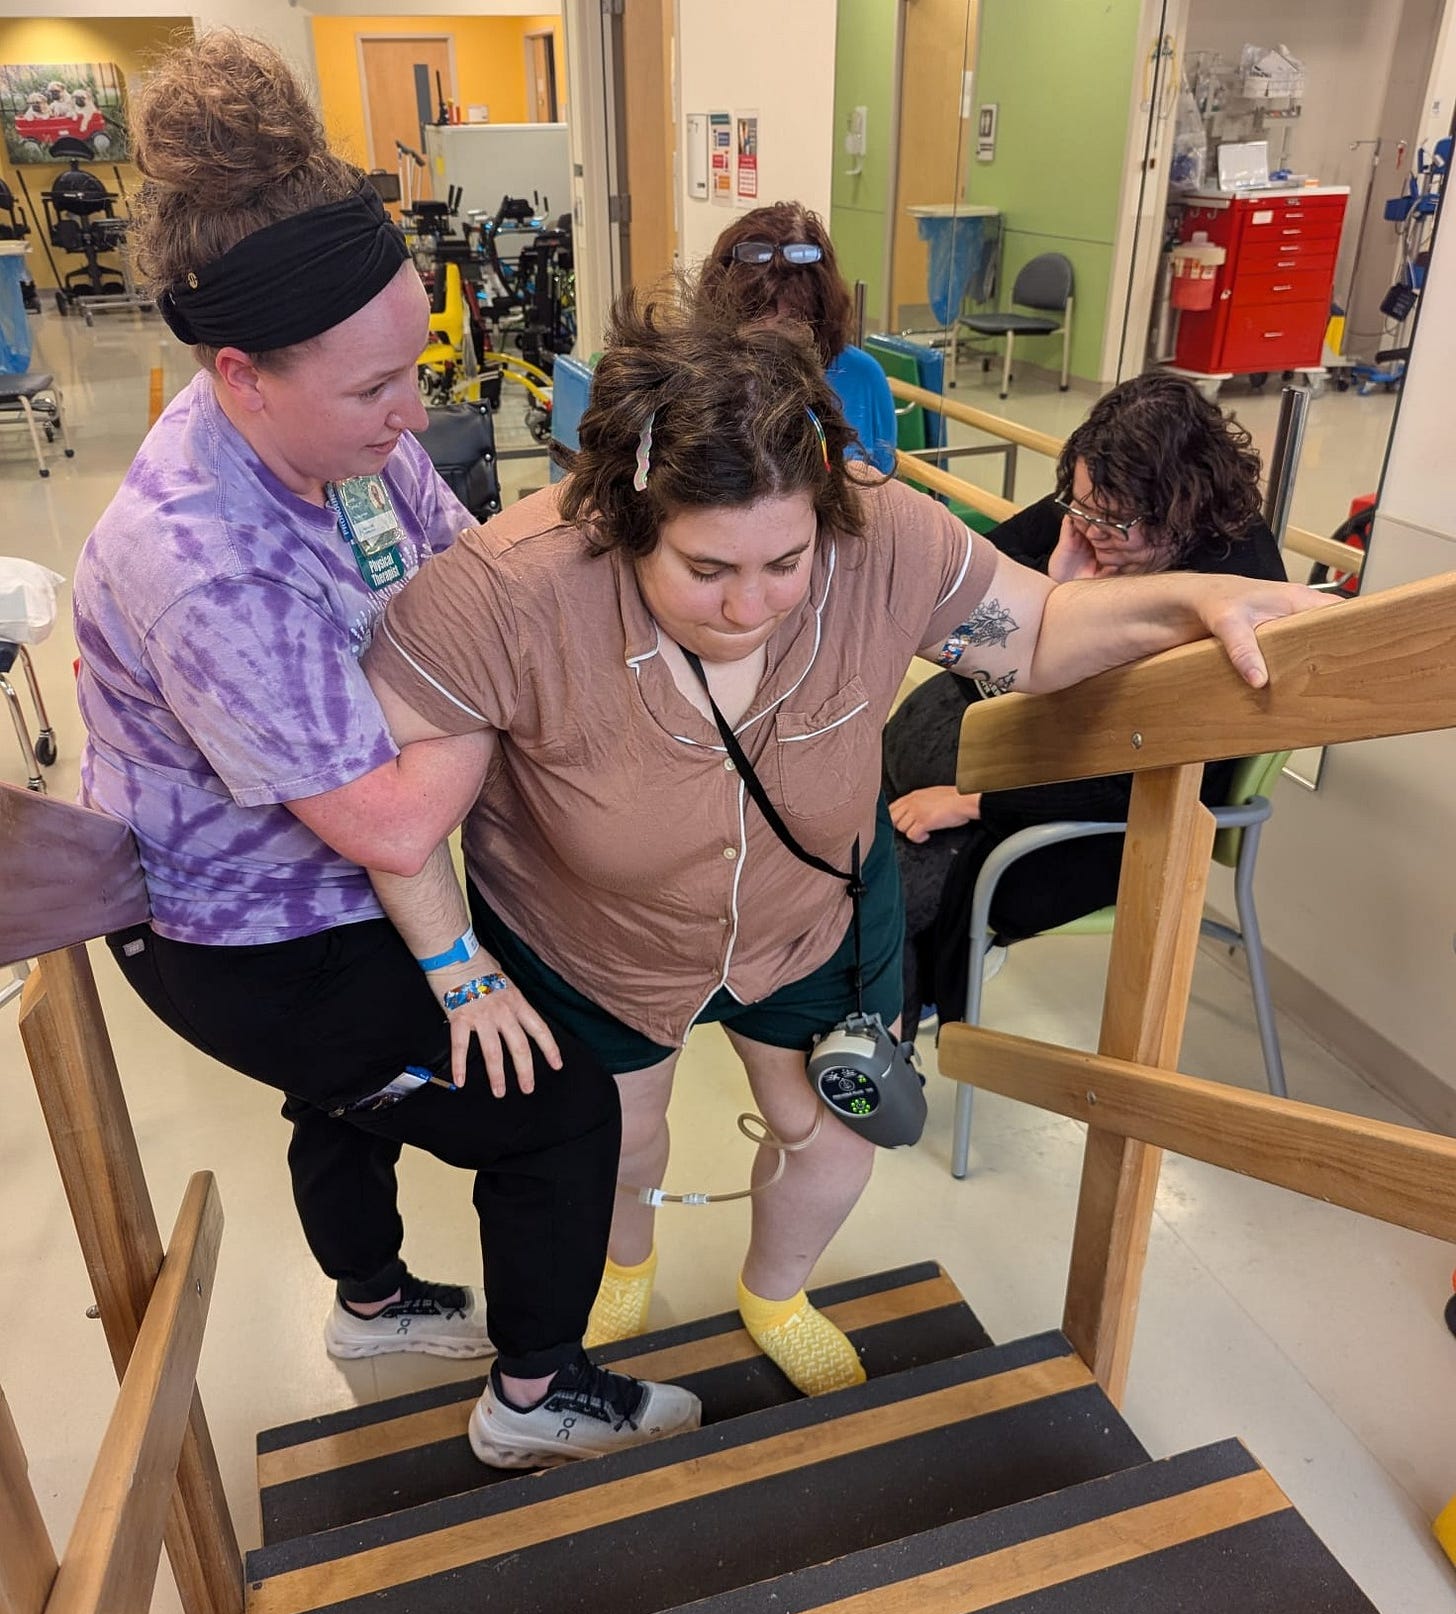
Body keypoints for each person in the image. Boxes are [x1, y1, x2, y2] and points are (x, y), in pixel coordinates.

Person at [358, 293, 1329, 1398]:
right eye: (706, 568)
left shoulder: (873, 526)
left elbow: (1042, 630)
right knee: (613, 1143)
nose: (751, 605)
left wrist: (1192, 596)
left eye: (785, 561)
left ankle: (775, 1290)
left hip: (806, 910)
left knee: (828, 1126)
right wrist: (455, 965)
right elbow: (391, 798)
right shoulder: (505, 589)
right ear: (626, 519)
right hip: (594, 937)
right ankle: (625, 1259)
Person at [71, 32, 699, 1470]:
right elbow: (396, 820)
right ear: (238, 376)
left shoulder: (340, 437)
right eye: (374, 394)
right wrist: (494, 691)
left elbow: (454, 572)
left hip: (325, 880)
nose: (414, 416)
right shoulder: (203, 561)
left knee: (348, 1099)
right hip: (248, 934)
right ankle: (535, 1398)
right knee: (555, 1117)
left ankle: (370, 1302)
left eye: (413, 368)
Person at [884, 372, 1289, 1032]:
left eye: (1109, 520)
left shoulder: (1236, 592)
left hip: (1108, 811)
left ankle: (882, 1055)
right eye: (1077, 505)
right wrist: (1057, 591)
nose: (1085, 527)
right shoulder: (1101, 507)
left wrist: (975, 800)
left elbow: (1152, 782)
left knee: (881, 896)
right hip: (1030, 747)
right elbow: (979, 594)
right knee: (870, 820)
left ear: (1181, 508)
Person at [700, 201, 898, 471]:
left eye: (793, 320)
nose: (775, 337)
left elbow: (883, 488)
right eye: (758, 316)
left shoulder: (863, 376)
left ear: (821, 315)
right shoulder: (698, 384)